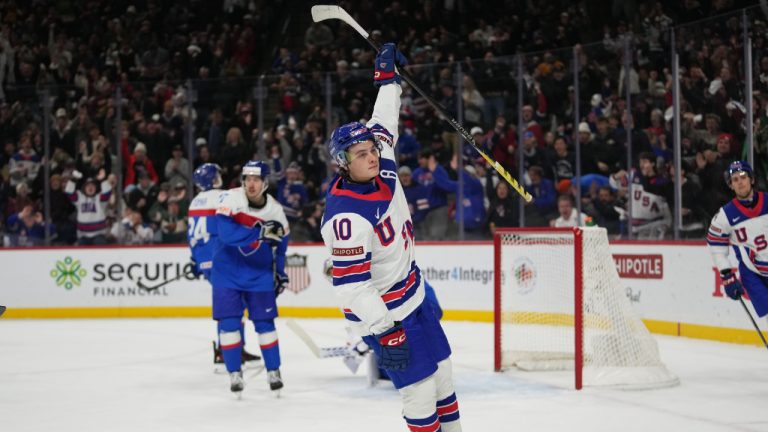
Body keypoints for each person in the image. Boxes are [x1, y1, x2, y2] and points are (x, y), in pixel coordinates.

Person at [320, 43, 461, 431]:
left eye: (371, 149)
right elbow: (350, 288)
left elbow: (385, 119)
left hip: (414, 297)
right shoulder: (345, 217)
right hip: (390, 314)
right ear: (343, 164)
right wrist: (385, 329)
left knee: (443, 377)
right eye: (361, 153)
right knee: (418, 391)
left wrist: (388, 79)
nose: (372, 155)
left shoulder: (381, 163)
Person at [212, 160, 290, 396]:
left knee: (266, 325)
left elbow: (282, 246)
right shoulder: (230, 199)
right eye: (247, 179)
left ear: (265, 183)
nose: (251, 184)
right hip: (227, 273)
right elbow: (225, 234)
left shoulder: (275, 211)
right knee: (228, 325)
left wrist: (281, 272)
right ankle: (234, 373)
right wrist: (259, 232)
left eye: (256, 179)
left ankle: (273, 372)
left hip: (259, 275)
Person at [187, 163, 262, 372]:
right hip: (221, 259)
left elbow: (193, 235)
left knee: (232, 303)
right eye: (217, 174)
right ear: (212, 178)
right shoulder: (220, 196)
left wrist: (196, 260)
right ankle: (225, 350)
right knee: (232, 304)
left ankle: (234, 347)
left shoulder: (195, 202)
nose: (220, 177)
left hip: (206, 258)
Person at [706, 161, 768, 319]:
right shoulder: (725, 216)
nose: (740, 182)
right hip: (753, 273)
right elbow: (716, 247)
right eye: (735, 179)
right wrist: (727, 275)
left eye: (743, 177)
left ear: (751, 180)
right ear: (731, 185)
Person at [64, 170, 112, 245]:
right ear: (84, 188)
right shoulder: (79, 198)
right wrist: (73, 179)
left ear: (96, 188)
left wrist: (103, 180)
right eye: (88, 186)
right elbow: (69, 192)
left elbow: (107, 192)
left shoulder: (99, 199)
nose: (90, 188)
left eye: (92, 186)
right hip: (83, 236)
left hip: (98, 235)